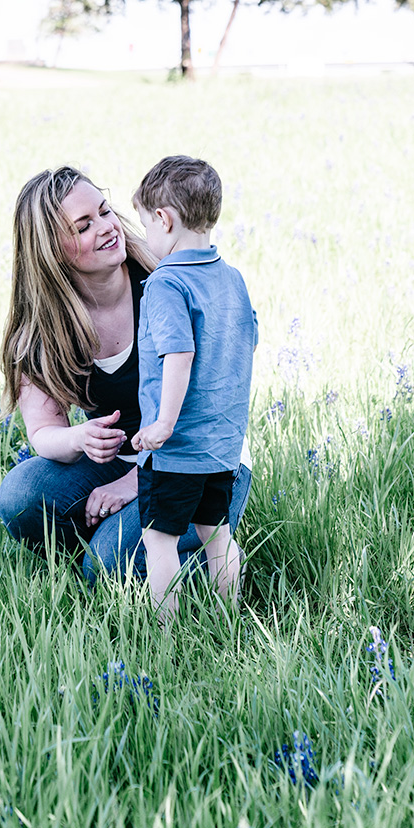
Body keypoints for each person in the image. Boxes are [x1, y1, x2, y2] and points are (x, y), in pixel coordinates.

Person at [0, 165, 251, 582]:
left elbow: (204, 407)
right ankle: (108, 560)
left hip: (200, 459)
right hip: (130, 456)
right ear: (51, 250)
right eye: (83, 226)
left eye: (104, 210)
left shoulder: (166, 285)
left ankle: (213, 555)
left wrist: (133, 484)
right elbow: (44, 433)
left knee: (110, 563)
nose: (107, 227)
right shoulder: (44, 327)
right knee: (22, 496)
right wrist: (80, 437)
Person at [130, 154, 257, 619]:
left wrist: (163, 424)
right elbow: (243, 347)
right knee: (217, 534)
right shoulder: (232, 280)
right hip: (223, 444)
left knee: (159, 540)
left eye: (146, 225)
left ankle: (166, 632)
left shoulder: (166, 284)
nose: (145, 236)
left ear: (164, 219)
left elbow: (179, 357)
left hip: (176, 449)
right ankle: (229, 619)